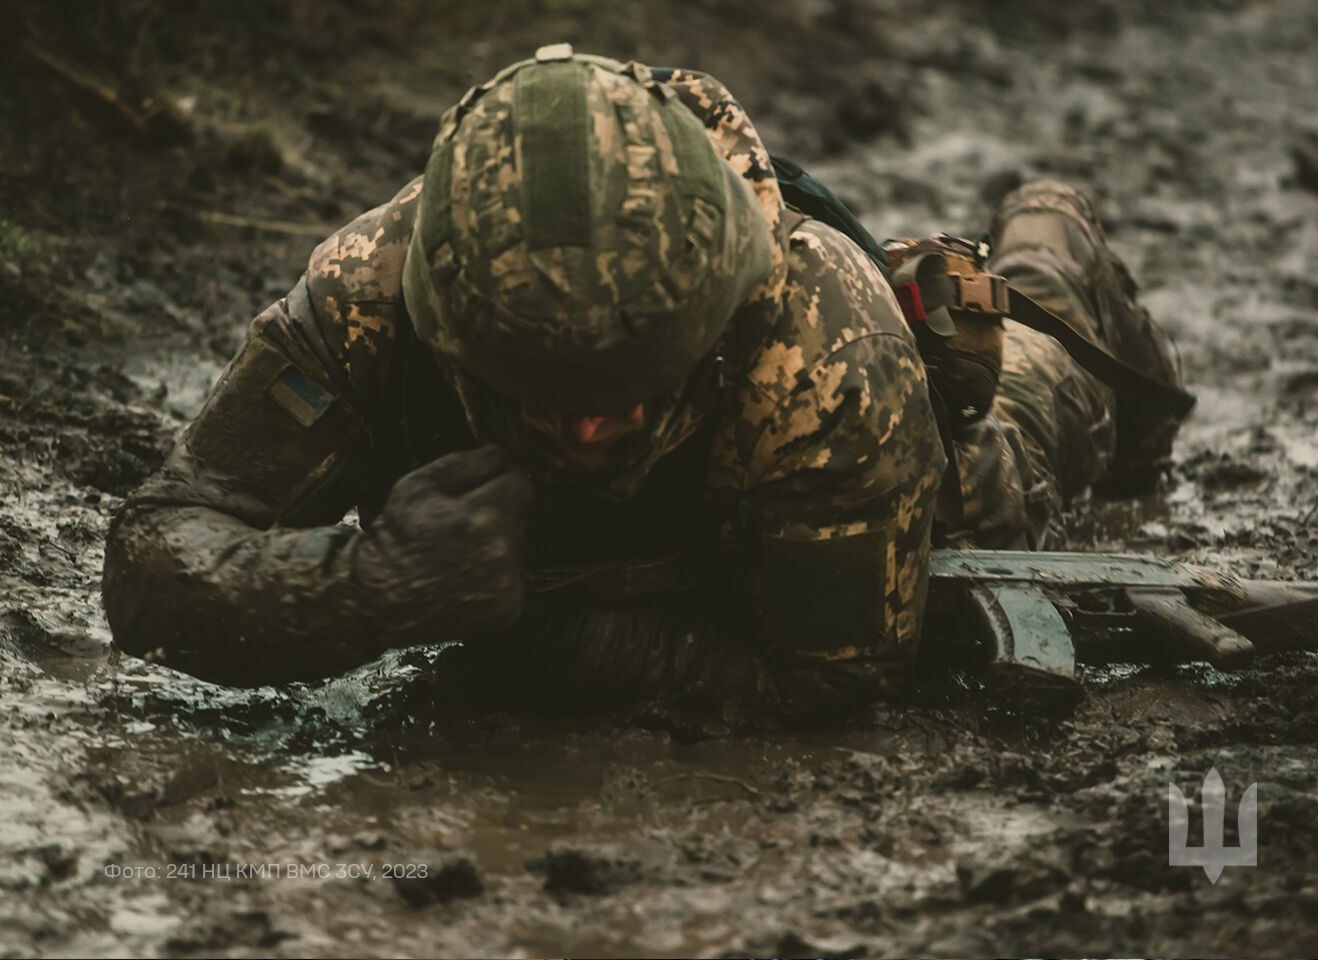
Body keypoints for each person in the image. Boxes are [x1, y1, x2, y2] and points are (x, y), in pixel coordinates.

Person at [101, 45, 1186, 716]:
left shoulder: (821, 349)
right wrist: (369, 585)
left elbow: (834, 678)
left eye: (625, 397)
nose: (584, 434)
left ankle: (1054, 241)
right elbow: (158, 548)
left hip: (904, 481)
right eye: (543, 401)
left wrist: (531, 630)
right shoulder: (369, 296)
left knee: (1033, 406)